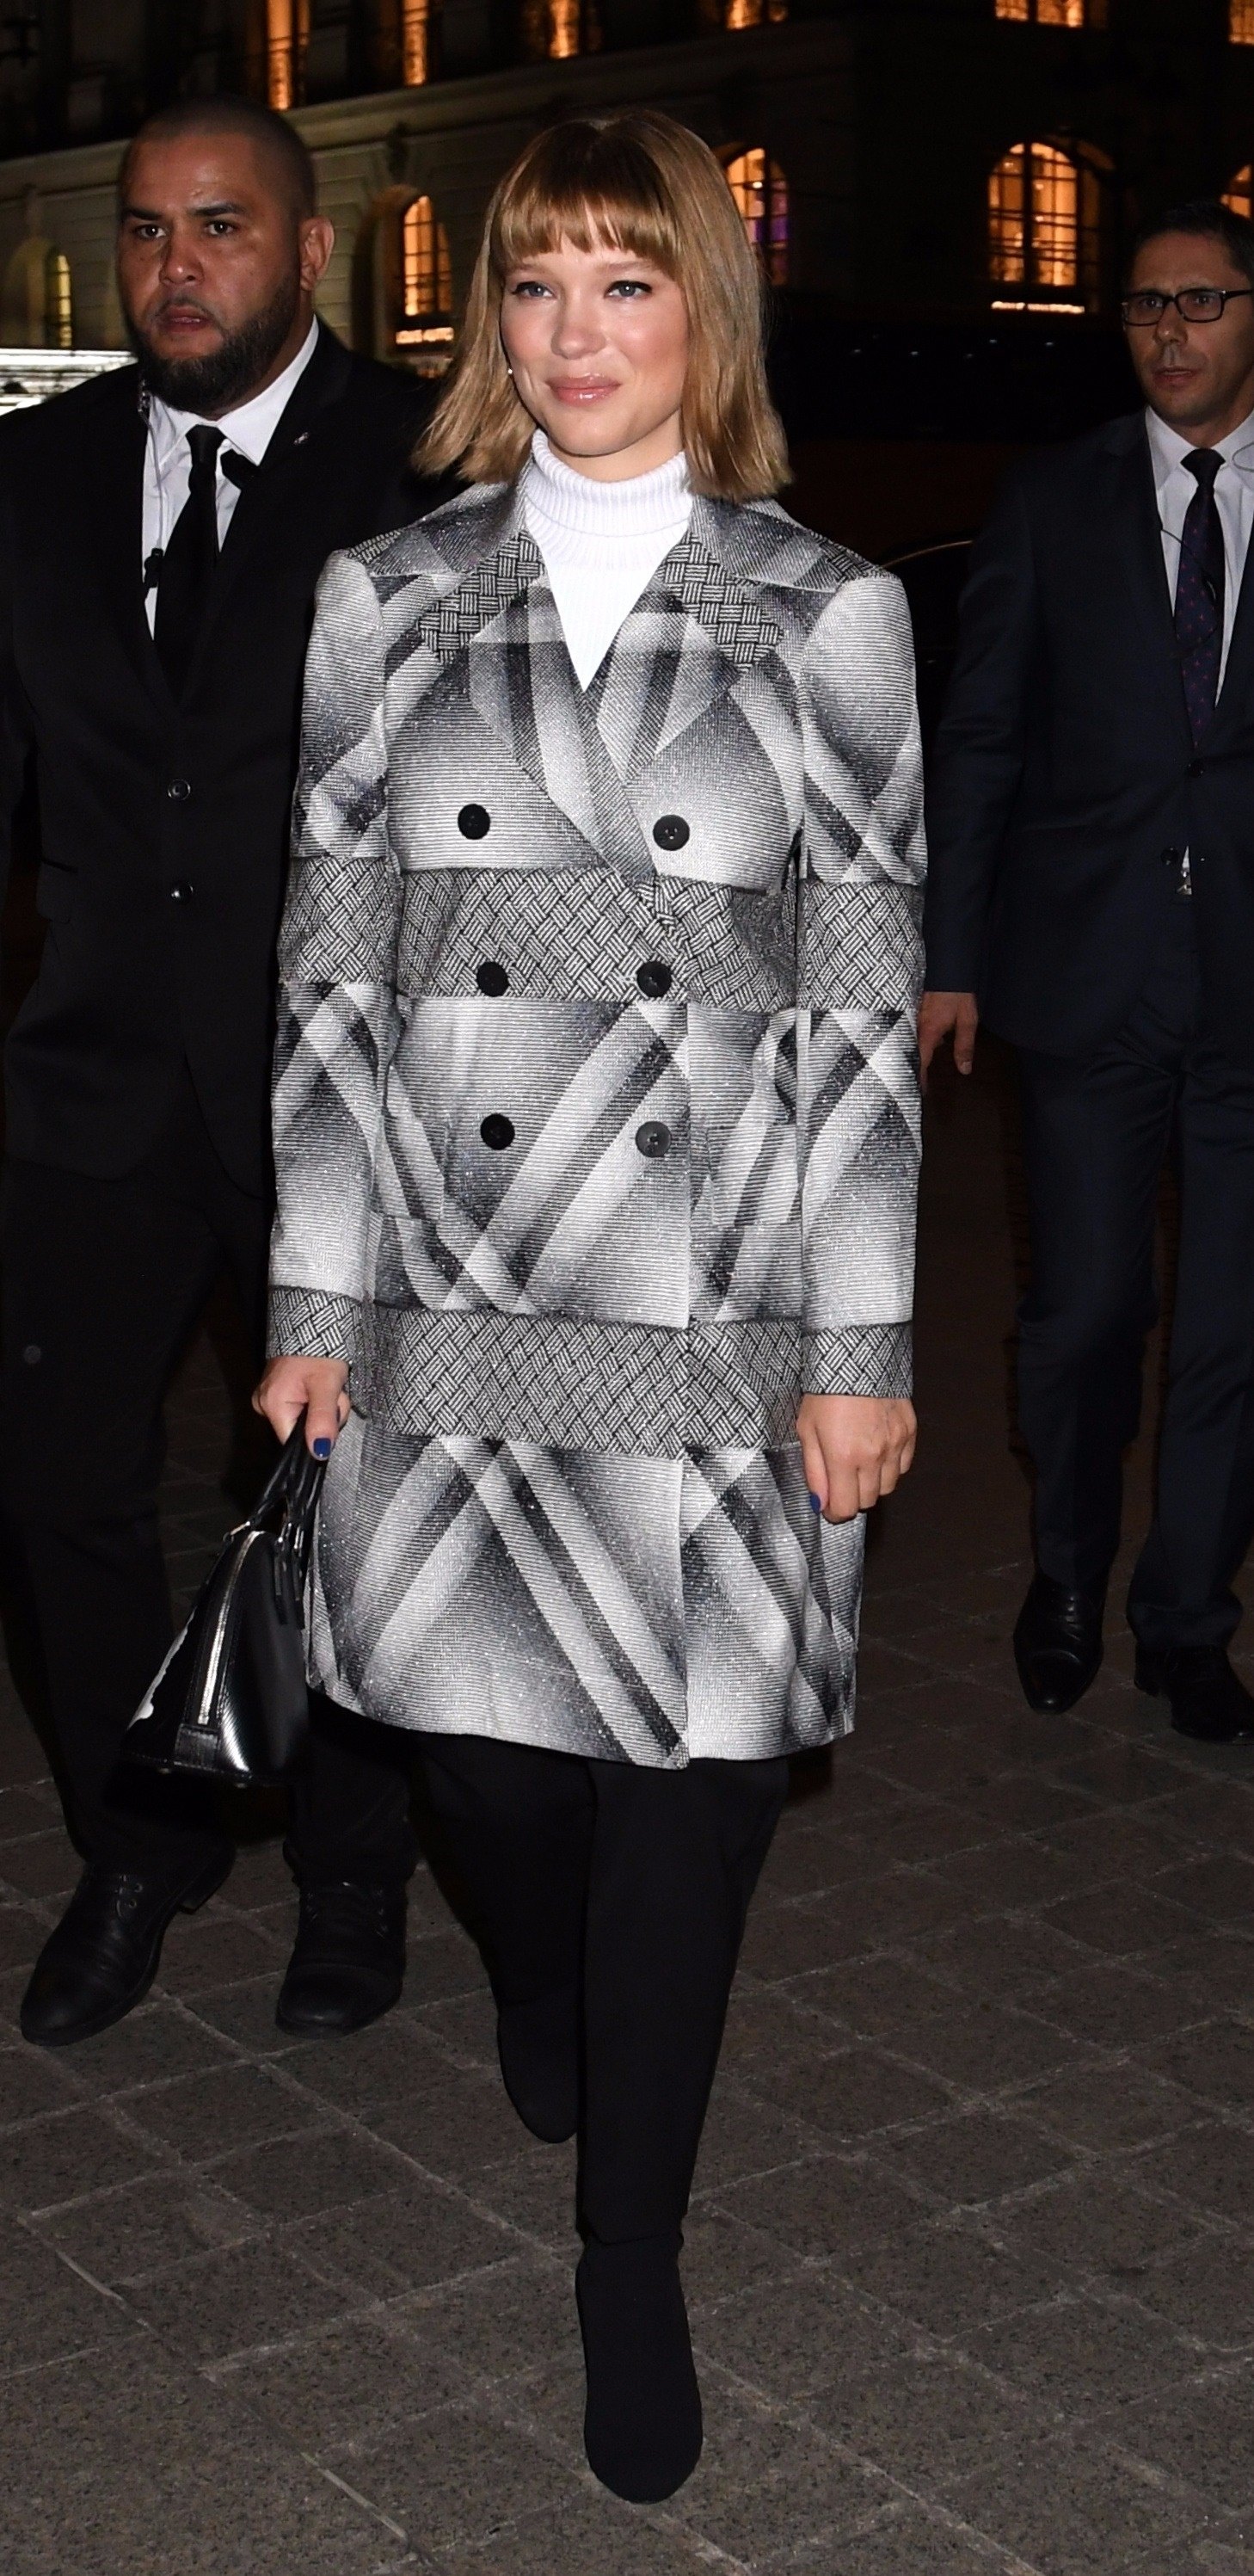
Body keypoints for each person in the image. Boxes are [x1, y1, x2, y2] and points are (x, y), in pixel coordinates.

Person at [258, 109, 923, 2503]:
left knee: (695, 1802)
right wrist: (311, 1290)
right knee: (491, 1774)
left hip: (722, 1300)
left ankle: (627, 2250)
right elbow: (330, 975)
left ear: (701, 312)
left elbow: (862, 1007)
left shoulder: (828, 610)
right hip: (452, 1282)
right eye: (535, 284)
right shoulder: (389, 596)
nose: (575, 334)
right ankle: (532, 1977)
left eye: (626, 284)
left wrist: (862, 1348)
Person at [3, 95, 448, 2051]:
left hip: (338, 1093)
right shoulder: (33, 470)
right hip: (91, 1075)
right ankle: (142, 1838)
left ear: (309, 247)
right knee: (53, 1482)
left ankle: (354, 1863)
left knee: (337, 1501)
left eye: (221, 227)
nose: (174, 268)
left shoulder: (425, 461)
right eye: (145, 230)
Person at [922, 199, 1254, 1742]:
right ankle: (1064, 1569)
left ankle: (1187, 1618)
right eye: (1142, 306)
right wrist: (951, 955)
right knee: (1084, 1311)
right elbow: (980, 734)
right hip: (1085, 973)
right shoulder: (1051, 498)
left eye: (1199, 303)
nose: (1167, 332)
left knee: (1232, 1330)